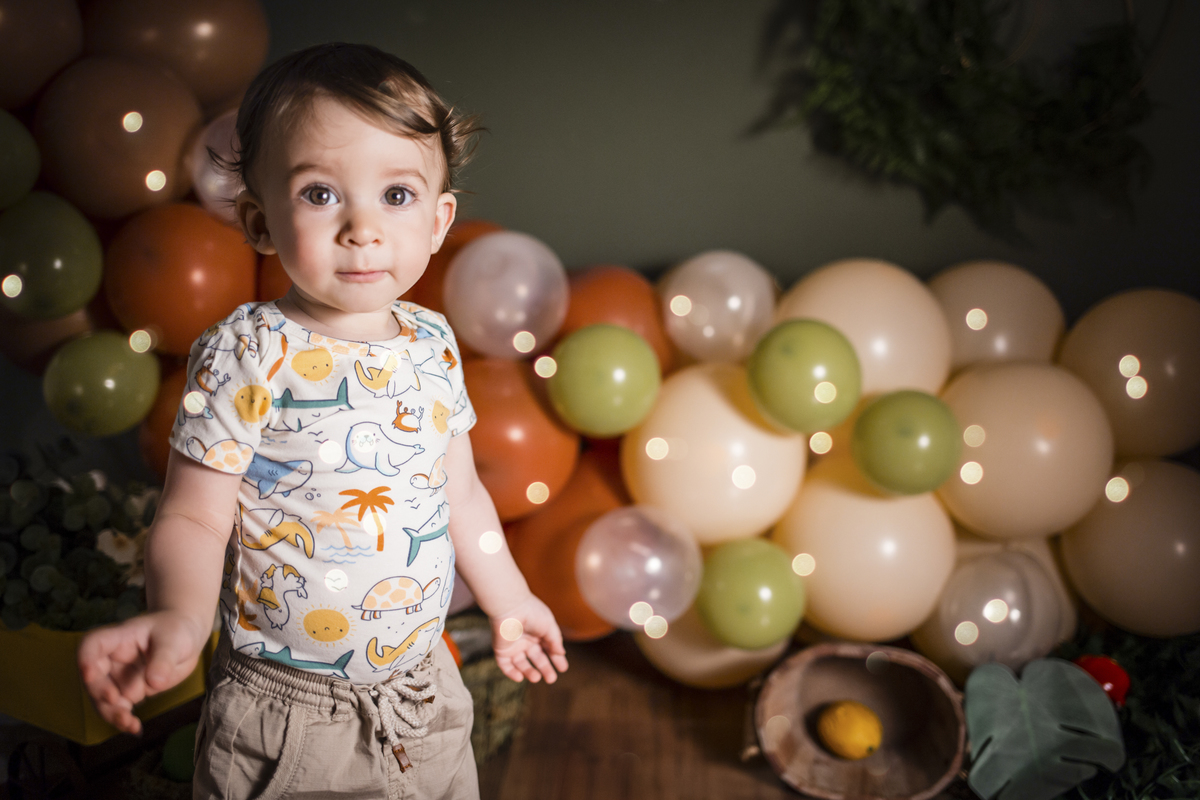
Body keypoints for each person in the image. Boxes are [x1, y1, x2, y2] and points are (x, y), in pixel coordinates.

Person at [78, 42, 568, 799]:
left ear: (440, 221)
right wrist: (179, 617)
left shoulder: (433, 342)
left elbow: (461, 495)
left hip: (422, 690)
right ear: (260, 220)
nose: (361, 228)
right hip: (287, 717)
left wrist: (509, 600)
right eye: (319, 195)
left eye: (396, 196)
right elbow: (196, 517)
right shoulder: (246, 351)